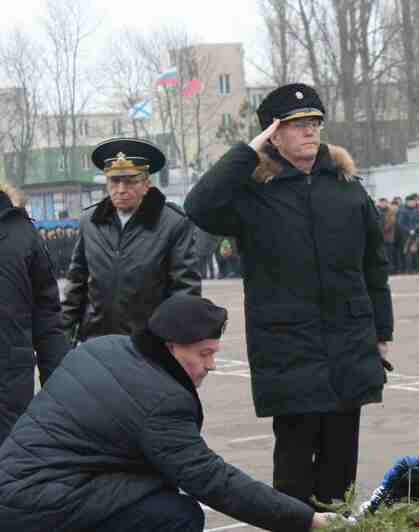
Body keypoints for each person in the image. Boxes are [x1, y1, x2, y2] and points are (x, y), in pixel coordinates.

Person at [184, 83, 394, 508]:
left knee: (340, 467)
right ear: (273, 134)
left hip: (348, 343)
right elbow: (199, 205)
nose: (310, 132)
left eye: (314, 123)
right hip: (288, 347)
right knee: (294, 469)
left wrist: (381, 330)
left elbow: (374, 264)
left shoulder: (346, 188)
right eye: (297, 125)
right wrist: (248, 152)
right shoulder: (254, 193)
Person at [0, 295, 337, 532]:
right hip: (38, 508)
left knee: (159, 483)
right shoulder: (160, 401)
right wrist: (305, 519)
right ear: (171, 346)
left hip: (13, 488)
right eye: (203, 354)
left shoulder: (102, 347)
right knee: (176, 514)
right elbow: (212, 480)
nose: (211, 365)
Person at [61, 138, 200, 342]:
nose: (120, 189)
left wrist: (177, 340)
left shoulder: (173, 224)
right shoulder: (90, 221)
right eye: (114, 181)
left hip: (149, 344)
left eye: (130, 181)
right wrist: (62, 335)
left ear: (146, 184)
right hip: (97, 340)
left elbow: (185, 290)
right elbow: (76, 282)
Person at [0, 181, 69, 445]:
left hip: (9, 388)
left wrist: (59, 390)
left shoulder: (21, 233)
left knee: (11, 467)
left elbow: (47, 318)